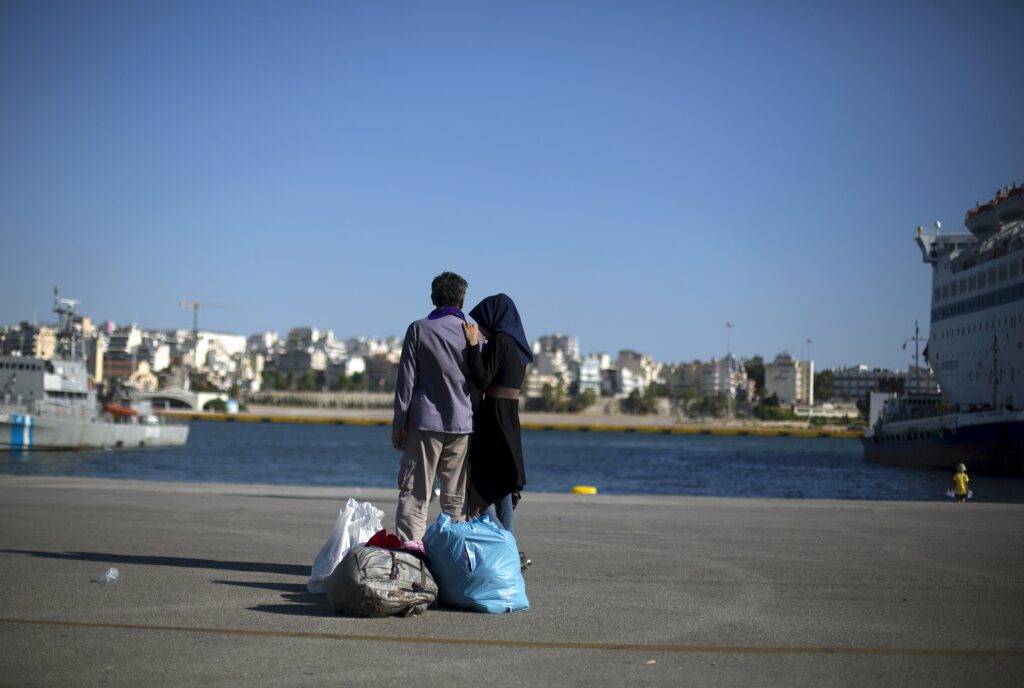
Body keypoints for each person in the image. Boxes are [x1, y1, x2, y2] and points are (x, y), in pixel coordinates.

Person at [391, 271, 476, 542]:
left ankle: (410, 558)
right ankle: (453, 559)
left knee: (415, 494)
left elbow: (406, 381)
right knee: (455, 501)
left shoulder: (419, 329)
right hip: (463, 425)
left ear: (433, 297)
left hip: (425, 423)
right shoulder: (473, 335)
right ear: (462, 300)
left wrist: (399, 423)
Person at [461, 294, 532, 564]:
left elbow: (481, 378)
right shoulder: (517, 345)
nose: (482, 329)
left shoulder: (500, 341)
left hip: (493, 418)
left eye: (484, 323)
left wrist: (471, 346)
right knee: (502, 486)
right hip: (508, 418)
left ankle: (505, 545)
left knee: (481, 487)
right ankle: (509, 546)